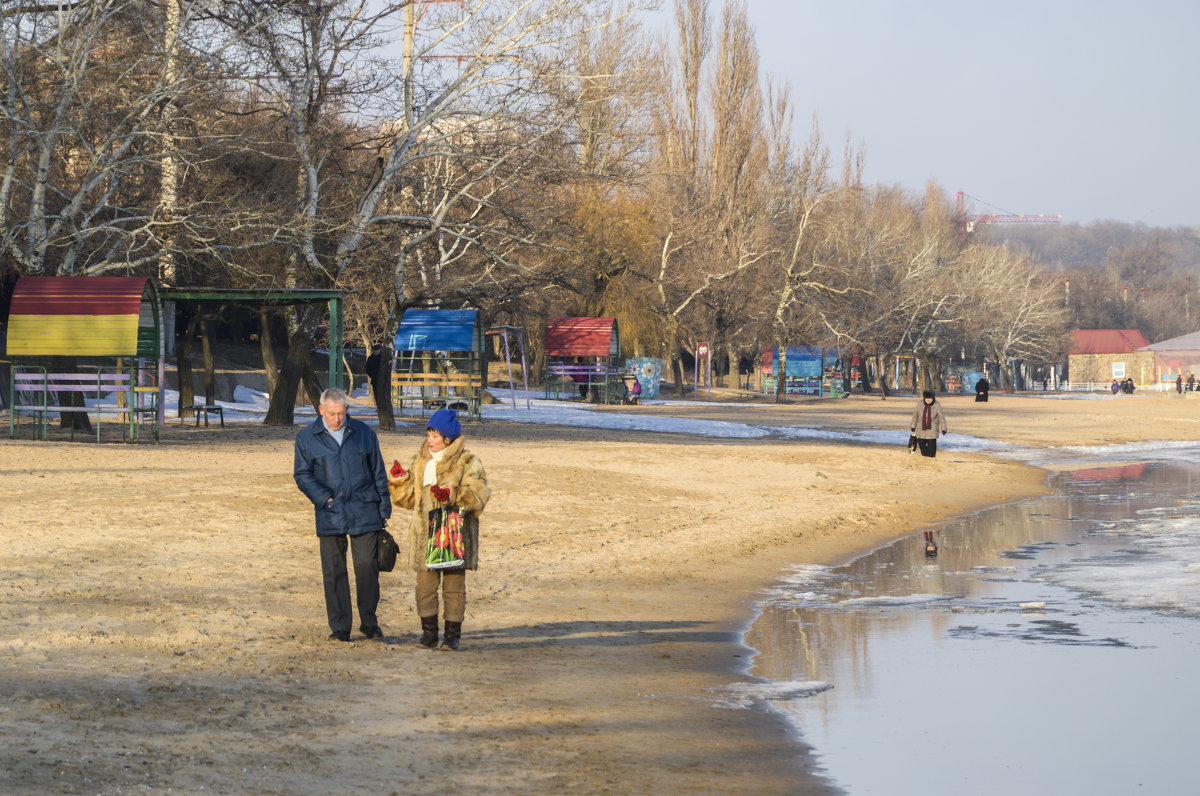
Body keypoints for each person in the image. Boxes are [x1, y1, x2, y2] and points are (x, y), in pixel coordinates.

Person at [294, 388, 392, 642]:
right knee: (334, 572)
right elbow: (302, 475)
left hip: (365, 508)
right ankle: (340, 628)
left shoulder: (364, 434)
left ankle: (369, 622)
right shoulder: (306, 438)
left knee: (367, 568)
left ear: (348, 410)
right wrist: (323, 498)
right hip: (330, 512)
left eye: (341, 413)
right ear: (321, 410)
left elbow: (378, 471)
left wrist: (384, 508)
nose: (337, 419)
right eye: (332, 414)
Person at [388, 408, 490, 651]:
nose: (429, 439)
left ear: (448, 439)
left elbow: (479, 497)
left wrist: (451, 495)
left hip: (454, 536)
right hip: (425, 535)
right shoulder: (420, 460)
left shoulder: (468, 462)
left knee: (454, 586)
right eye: (429, 434)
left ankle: (452, 636)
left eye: (435, 435)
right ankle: (429, 634)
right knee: (424, 586)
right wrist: (400, 481)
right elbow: (409, 500)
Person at [909, 390, 948, 458]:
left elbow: (941, 417)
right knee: (923, 451)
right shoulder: (920, 404)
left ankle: (931, 461)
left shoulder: (937, 404)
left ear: (933, 398)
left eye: (930, 398)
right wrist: (913, 426)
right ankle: (926, 461)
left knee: (932, 452)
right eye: (927, 398)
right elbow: (915, 416)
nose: (928, 399)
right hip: (921, 430)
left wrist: (944, 428)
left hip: (932, 430)